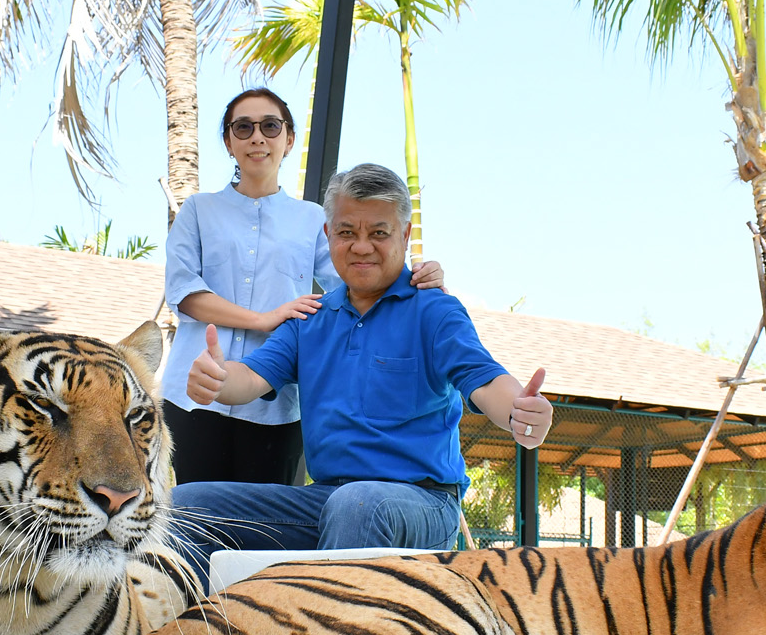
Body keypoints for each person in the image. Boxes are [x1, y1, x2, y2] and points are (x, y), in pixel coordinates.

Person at [173, 163, 553, 588]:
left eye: (379, 232)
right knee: (184, 504)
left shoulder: (435, 310)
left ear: (405, 236)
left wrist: (519, 410)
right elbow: (252, 378)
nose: (361, 246)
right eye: (347, 232)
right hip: (327, 500)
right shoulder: (310, 317)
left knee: (357, 506)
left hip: (423, 504)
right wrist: (218, 378)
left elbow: (484, 381)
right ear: (328, 234)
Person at [161, 88, 444, 485]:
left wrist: (423, 278)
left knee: (266, 536)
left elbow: (358, 278)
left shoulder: (313, 219)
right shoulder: (196, 210)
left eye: (270, 126)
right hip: (195, 394)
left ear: (289, 139)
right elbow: (184, 292)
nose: (257, 137)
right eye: (243, 127)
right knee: (193, 517)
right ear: (228, 142)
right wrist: (263, 319)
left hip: (276, 402)